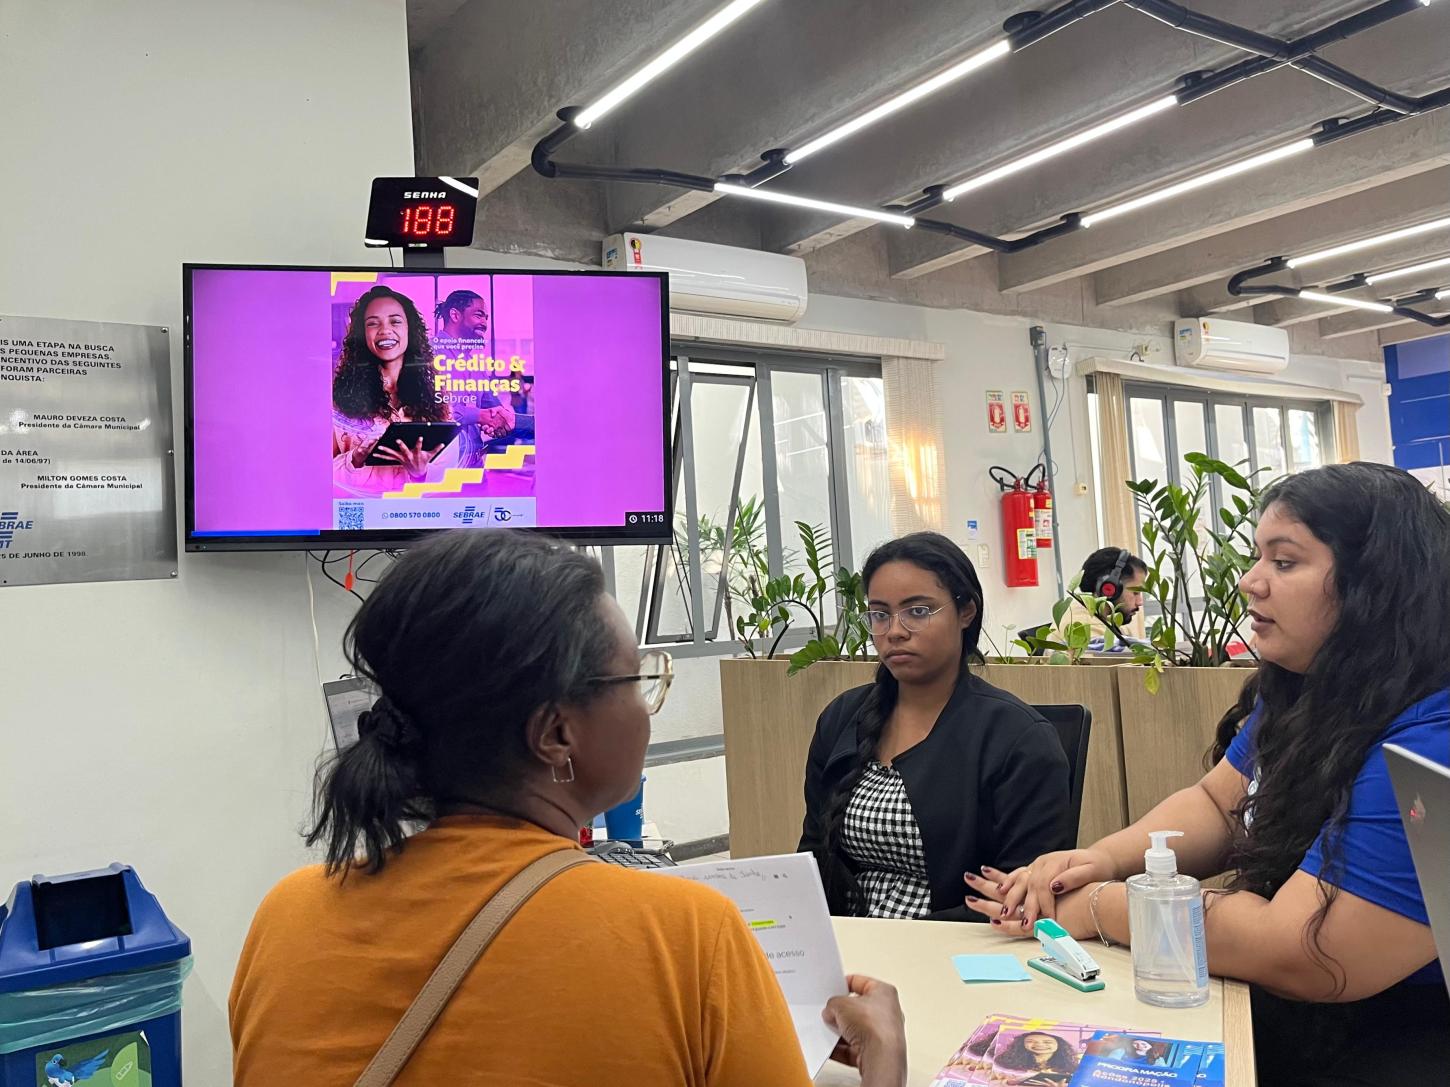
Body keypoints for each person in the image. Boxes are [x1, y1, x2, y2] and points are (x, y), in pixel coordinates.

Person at [229, 530, 908, 1086]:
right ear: (556, 732)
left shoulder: (285, 916)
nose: (645, 709)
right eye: (636, 679)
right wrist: (884, 1069)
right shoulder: (685, 937)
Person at [964, 463, 1450, 1086]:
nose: (1251, 582)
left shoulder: (1431, 737)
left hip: (1401, 1037)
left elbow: (1308, 949)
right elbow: (1221, 802)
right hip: (1295, 1013)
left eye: (1285, 562)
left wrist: (1106, 907)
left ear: (1375, 585)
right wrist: (1100, 859)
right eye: (1257, 558)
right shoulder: (1309, 691)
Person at [800, 531, 1071, 921]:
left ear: (966, 612)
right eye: (880, 614)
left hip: (960, 953)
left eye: (918, 611)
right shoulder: (843, 718)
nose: (894, 631)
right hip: (844, 944)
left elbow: (1022, 894)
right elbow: (812, 854)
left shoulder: (1019, 739)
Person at [332, 285, 455, 496]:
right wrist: (355, 459)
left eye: (395, 321)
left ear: (410, 330)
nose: (385, 330)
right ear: (362, 334)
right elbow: (315, 474)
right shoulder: (336, 399)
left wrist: (421, 473)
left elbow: (450, 471)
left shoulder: (437, 397)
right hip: (358, 518)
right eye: (373, 323)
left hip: (420, 520)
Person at [431, 287, 514, 468]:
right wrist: (481, 416)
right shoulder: (427, 354)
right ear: (455, 315)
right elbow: (435, 412)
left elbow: (493, 408)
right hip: (440, 466)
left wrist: (503, 418)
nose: (484, 323)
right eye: (479, 315)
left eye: (486, 317)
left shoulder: (475, 364)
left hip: (474, 462)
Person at [1048, 547, 1149, 654]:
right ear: (1110, 589)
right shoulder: (1083, 626)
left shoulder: (1102, 620)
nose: (1140, 602)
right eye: (1135, 592)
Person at [992, 1030, 1078, 1085]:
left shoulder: (1072, 1069)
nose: (1039, 1045)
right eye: (1030, 1041)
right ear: (1022, 1044)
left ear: (1060, 1045)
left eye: (1047, 1042)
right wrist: (1009, 1083)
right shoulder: (1004, 1064)